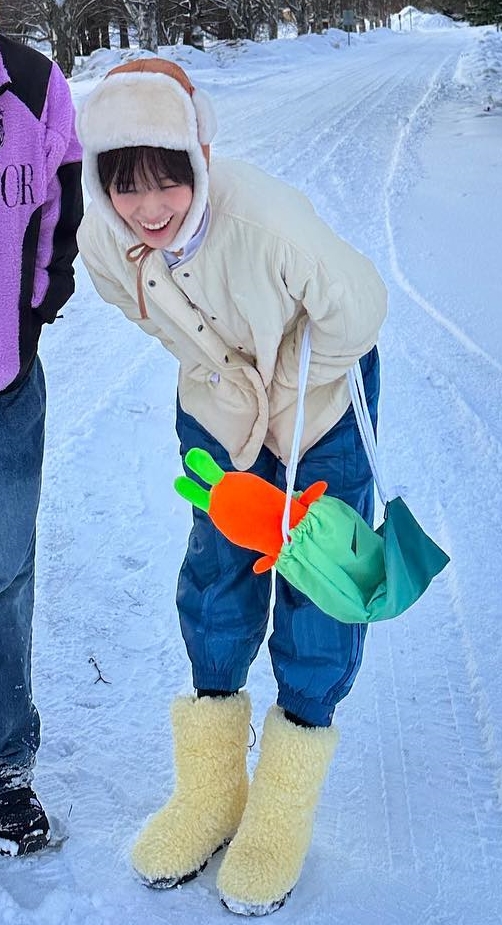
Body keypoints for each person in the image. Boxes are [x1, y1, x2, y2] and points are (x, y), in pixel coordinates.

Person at [76, 58, 387, 915]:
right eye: (125, 185)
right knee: (215, 584)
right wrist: (223, 382)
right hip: (217, 425)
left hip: (317, 424)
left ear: (200, 152)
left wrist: (281, 392)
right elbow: (124, 292)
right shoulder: (104, 236)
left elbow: (361, 310)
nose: (149, 207)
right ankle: (212, 795)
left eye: (167, 179)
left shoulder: (267, 224)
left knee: (318, 599)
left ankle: (280, 813)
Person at [0, 35, 83, 856]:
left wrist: (28, 313)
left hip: (5, 391)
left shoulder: (31, 83)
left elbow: (62, 206)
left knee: (4, 576)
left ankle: (4, 764)